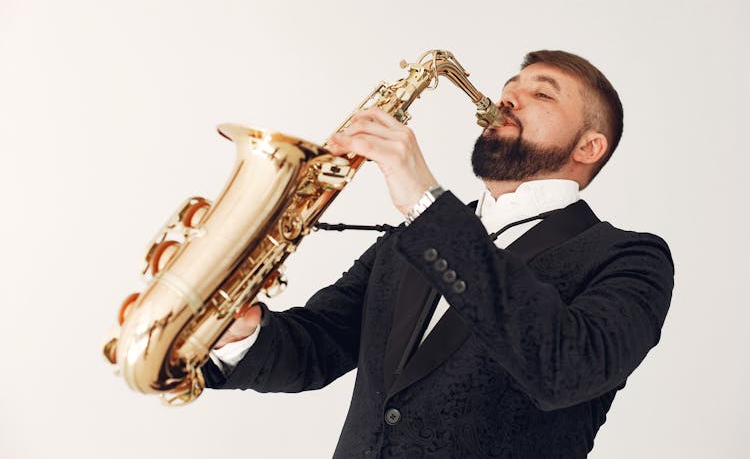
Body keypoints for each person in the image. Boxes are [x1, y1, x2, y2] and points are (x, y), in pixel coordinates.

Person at [202, 50, 674, 458]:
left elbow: (563, 369)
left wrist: (424, 201)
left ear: (589, 146)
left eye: (543, 95)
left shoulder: (631, 258)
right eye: (510, 88)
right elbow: (318, 345)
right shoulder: (414, 237)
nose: (508, 99)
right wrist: (242, 332)